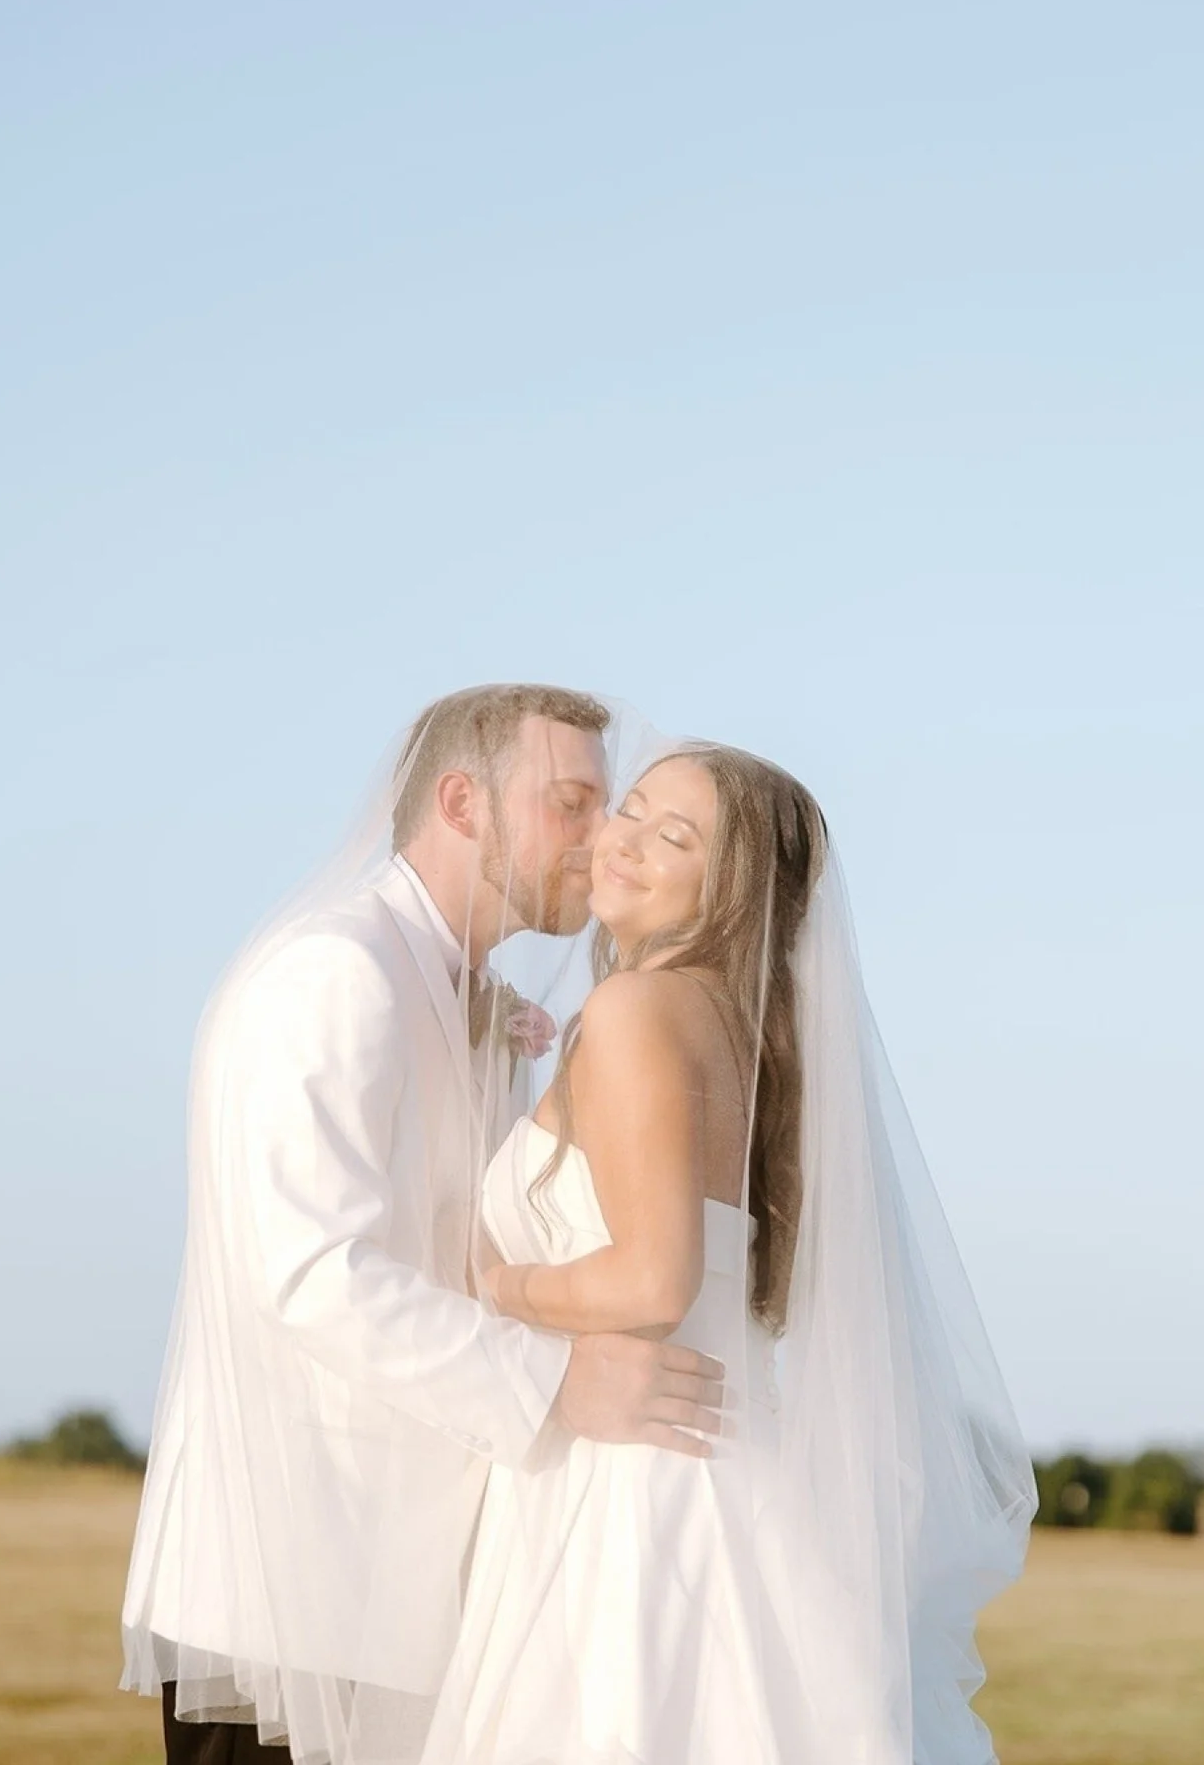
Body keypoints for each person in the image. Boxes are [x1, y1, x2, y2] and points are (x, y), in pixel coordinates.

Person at [120, 686, 726, 1765]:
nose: (602, 841)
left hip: (405, 1584)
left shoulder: (467, 998)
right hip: (294, 1584)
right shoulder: (334, 972)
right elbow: (313, 1274)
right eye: (572, 803)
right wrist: (557, 1381)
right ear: (463, 803)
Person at [418, 743, 1037, 1764]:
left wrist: (492, 1284)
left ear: (733, 889)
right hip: (726, 1466)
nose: (622, 839)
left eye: (676, 836)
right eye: (632, 808)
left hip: (639, 1498)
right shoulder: (739, 1030)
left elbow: (653, 1282)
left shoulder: (636, 1010)